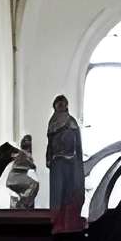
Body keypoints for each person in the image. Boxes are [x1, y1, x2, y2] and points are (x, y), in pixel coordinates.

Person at [45, 94, 85, 233]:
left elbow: (77, 143)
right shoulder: (52, 122)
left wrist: (78, 160)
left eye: (63, 103)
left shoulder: (72, 121)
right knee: (58, 192)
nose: (61, 106)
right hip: (57, 161)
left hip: (71, 160)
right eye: (58, 103)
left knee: (70, 191)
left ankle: (70, 221)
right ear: (55, 106)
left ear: (66, 105)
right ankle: (58, 221)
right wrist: (48, 158)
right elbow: (50, 143)